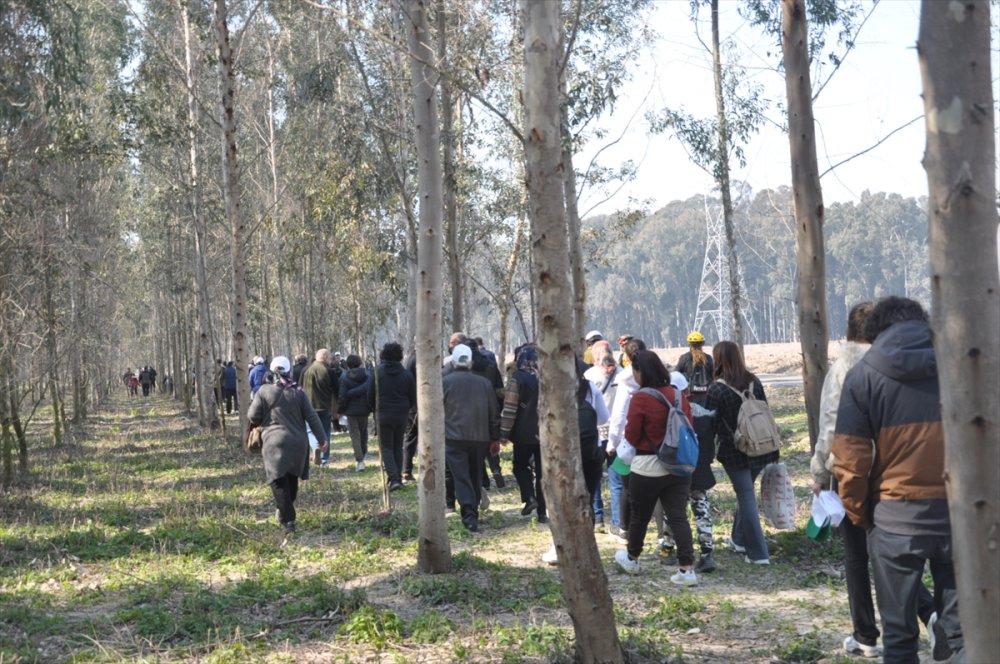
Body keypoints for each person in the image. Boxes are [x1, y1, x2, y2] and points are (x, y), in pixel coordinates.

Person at [832, 296, 962, 663]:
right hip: (959, 516)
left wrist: (861, 515)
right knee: (964, 634)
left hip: (894, 520)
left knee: (900, 638)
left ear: (874, 334)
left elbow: (851, 461)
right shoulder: (961, 366)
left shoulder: (862, 376)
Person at [613, 350, 698, 586]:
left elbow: (631, 434)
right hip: (679, 466)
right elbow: (689, 424)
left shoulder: (640, 398)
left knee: (639, 516)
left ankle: (632, 558)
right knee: (678, 517)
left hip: (647, 466)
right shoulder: (678, 394)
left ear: (640, 372)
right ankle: (687, 569)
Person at [705, 340, 778, 565]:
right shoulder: (754, 381)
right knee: (745, 493)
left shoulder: (717, 388)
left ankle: (758, 553)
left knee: (746, 496)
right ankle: (738, 540)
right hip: (763, 447)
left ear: (717, 360)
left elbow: (709, 423)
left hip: (735, 451)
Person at [248, 356, 328, 545]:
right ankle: (285, 511)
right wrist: (322, 439)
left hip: (273, 442)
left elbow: (253, 415)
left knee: (277, 481)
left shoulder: (263, 391)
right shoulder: (298, 392)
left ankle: (288, 520)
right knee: (291, 479)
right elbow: (312, 416)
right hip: (298, 443)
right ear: (288, 370)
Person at [442, 344, 500, 532]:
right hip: (480, 438)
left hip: (453, 438)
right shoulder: (484, 384)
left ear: (453, 361)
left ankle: (469, 515)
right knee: (475, 476)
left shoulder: (444, 382)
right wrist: (495, 438)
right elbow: (494, 413)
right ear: (471, 362)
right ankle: (471, 511)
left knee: (461, 477)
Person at [676, 331, 718, 574]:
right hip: (701, 467)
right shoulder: (709, 358)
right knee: (701, 507)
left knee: (676, 510)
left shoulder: (684, 359)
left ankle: (670, 548)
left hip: (680, 470)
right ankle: (707, 551)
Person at [499, 345, 546, 523]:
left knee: (520, 466)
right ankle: (543, 511)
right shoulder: (546, 377)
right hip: (545, 433)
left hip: (523, 433)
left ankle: (529, 497)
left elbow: (510, 408)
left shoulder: (518, 378)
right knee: (543, 472)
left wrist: (504, 433)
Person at [370, 342, 416, 491]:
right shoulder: (406, 374)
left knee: (386, 447)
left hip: (383, 413)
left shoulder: (377, 373)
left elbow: (370, 393)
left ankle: (395, 478)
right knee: (397, 446)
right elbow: (412, 397)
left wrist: (374, 409)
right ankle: (397, 478)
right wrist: (405, 408)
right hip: (401, 414)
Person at [302, 349, 335, 465]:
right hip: (324, 406)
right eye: (330, 357)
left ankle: (315, 446)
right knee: (325, 432)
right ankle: (324, 458)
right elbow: (335, 389)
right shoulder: (328, 371)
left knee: (310, 430)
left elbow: (299, 387)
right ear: (325, 357)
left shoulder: (306, 370)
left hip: (308, 406)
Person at [338, 354, 372, 471]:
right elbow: (371, 391)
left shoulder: (345, 377)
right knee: (363, 433)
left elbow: (342, 396)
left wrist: (340, 410)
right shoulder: (368, 375)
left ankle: (360, 460)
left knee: (355, 436)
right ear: (359, 363)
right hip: (365, 409)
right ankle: (363, 452)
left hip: (351, 411)